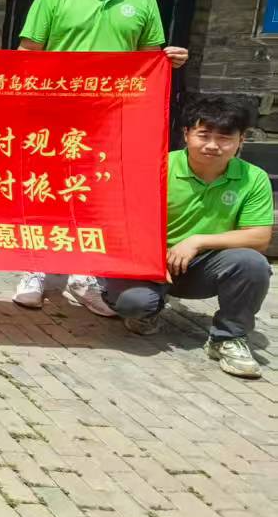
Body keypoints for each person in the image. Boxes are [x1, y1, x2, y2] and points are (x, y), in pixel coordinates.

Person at [15, 0, 190, 309]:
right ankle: (36, 268)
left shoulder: (142, 0)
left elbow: (148, 61)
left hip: (114, 120)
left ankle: (86, 275)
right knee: (47, 192)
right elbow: (27, 54)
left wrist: (168, 60)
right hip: (57, 118)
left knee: (97, 194)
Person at [74, 96, 272, 379]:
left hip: (202, 265)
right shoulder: (156, 168)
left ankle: (229, 338)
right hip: (145, 260)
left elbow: (259, 237)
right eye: (204, 135)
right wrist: (152, 260)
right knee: (135, 304)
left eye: (224, 138)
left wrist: (197, 241)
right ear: (186, 134)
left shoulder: (253, 178)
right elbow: (121, 222)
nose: (213, 145)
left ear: (241, 140)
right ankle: (144, 309)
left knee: (251, 263)